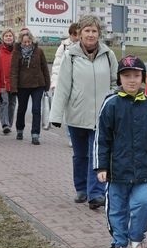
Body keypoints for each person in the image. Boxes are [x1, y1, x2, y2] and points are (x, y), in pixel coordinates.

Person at [94, 55, 147, 248]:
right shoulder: (111, 103)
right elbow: (102, 137)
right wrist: (101, 166)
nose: (132, 80)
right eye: (127, 76)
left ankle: (136, 239)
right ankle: (119, 244)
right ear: (119, 79)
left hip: (142, 170)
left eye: (136, 75)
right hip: (116, 171)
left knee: (143, 203)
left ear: (142, 77)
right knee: (117, 208)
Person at [50, 15, 117, 209]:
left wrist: (112, 103)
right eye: (87, 30)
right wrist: (55, 116)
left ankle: (96, 193)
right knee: (80, 156)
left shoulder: (108, 54)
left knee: (97, 155)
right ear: (79, 34)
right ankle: (81, 188)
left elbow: (115, 82)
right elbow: (63, 87)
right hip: (76, 115)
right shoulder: (70, 56)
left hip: (101, 117)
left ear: (99, 34)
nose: (90, 34)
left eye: (94, 31)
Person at [10, 29, 50, 145]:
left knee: (36, 109)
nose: (27, 44)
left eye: (29, 42)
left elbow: (45, 68)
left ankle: (35, 134)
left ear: (32, 41)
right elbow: (13, 71)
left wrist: (47, 84)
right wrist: (14, 87)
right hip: (22, 86)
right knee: (22, 109)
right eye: (25, 42)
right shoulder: (16, 53)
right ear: (21, 42)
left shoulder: (39, 51)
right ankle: (20, 129)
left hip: (38, 84)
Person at [0, 28, 17, 134]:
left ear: (13, 38)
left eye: (10, 36)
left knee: (12, 103)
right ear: (3, 38)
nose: (8, 37)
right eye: (6, 36)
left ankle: (9, 123)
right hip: (2, 82)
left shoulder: (17, 51)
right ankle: (5, 124)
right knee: (4, 102)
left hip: (14, 82)